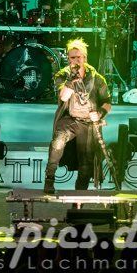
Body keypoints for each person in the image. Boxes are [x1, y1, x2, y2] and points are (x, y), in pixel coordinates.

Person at [44, 38, 112, 194]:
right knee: (58, 142)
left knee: (86, 163)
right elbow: (63, 97)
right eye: (72, 57)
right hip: (70, 119)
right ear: (68, 59)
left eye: (78, 57)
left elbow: (107, 102)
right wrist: (71, 80)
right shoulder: (63, 75)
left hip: (88, 123)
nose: (75, 60)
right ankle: (49, 178)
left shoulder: (97, 78)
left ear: (85, 58)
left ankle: (79, 196)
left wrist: (100, 113)